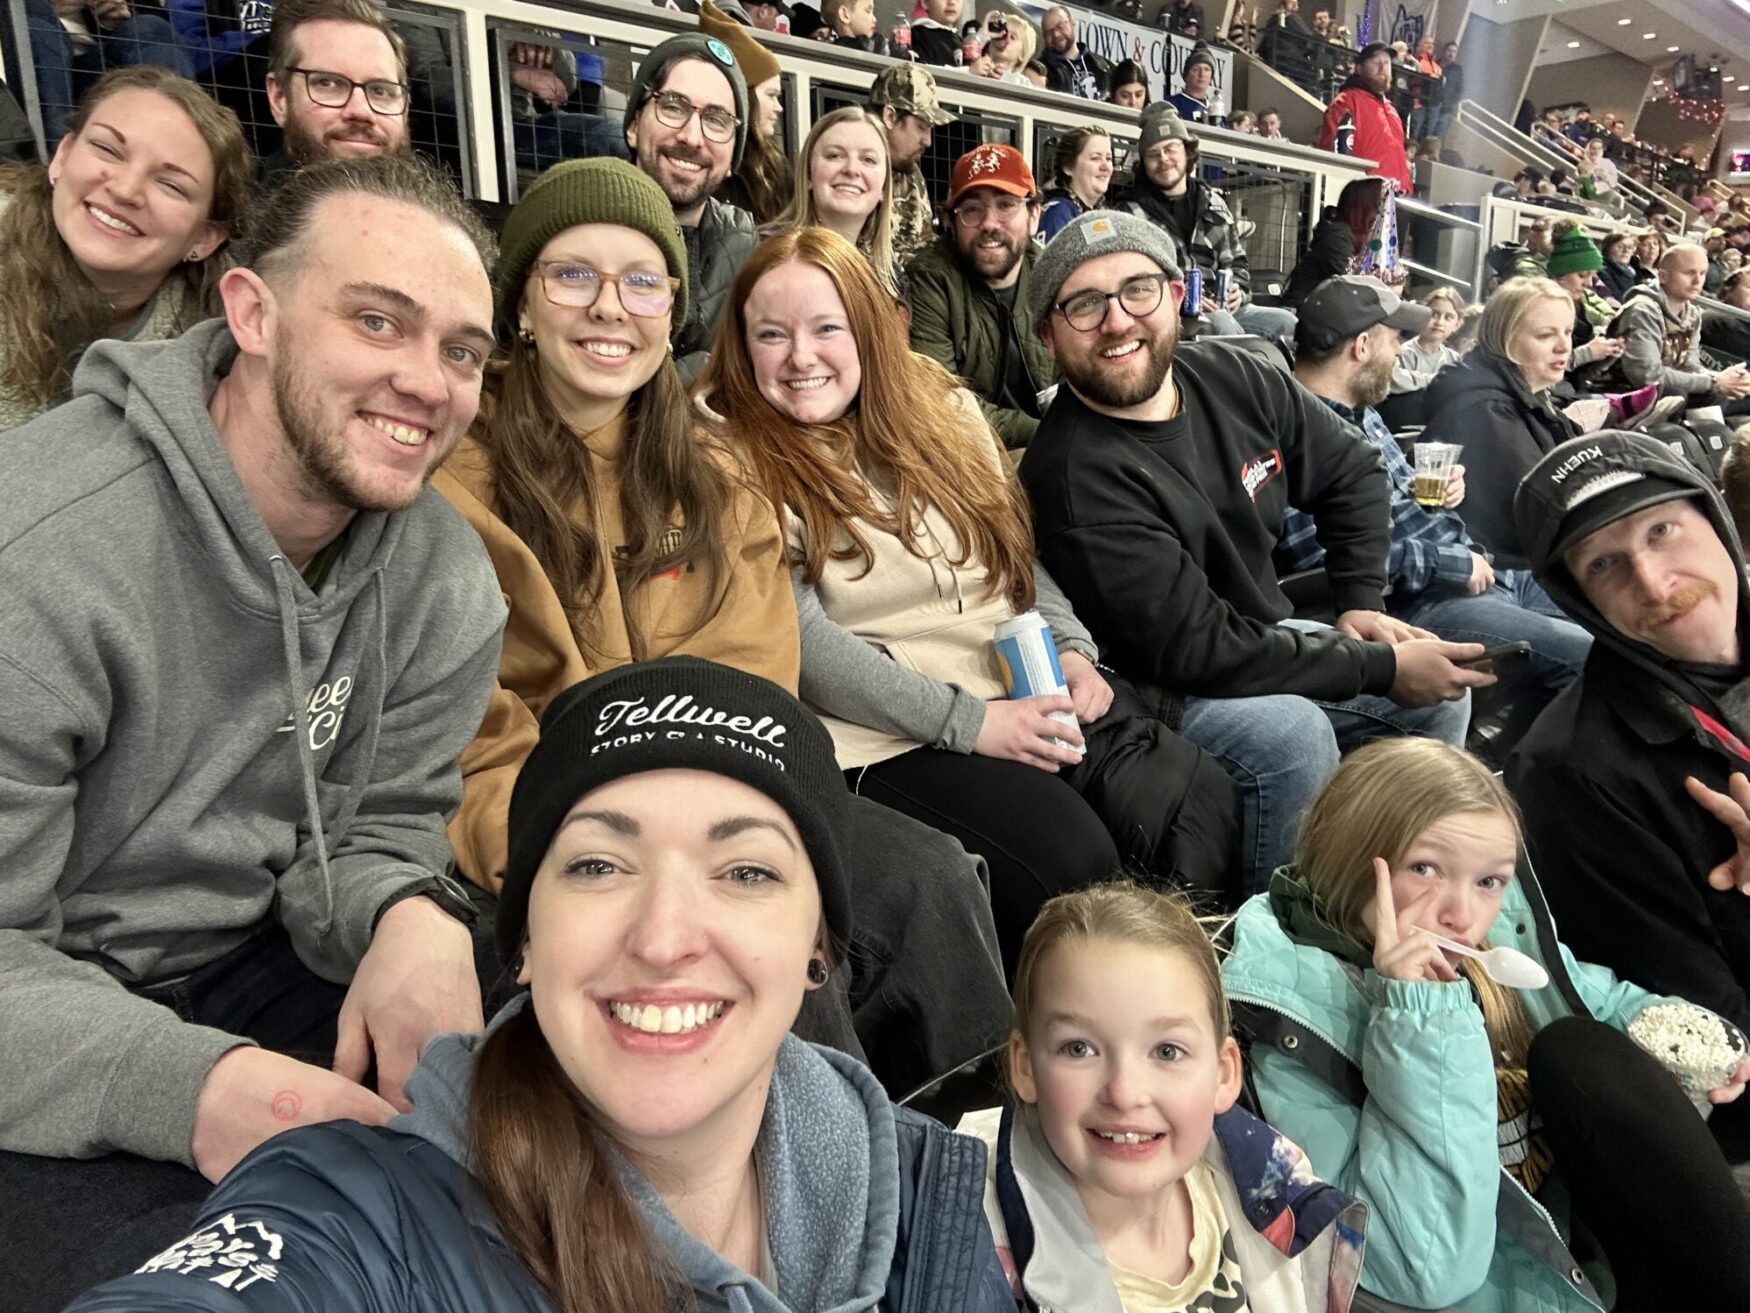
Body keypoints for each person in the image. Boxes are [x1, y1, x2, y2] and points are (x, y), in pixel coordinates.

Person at [68, 659, 1019, 1313]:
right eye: (600, 865)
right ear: (520, 939)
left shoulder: (923, 1195)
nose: (663, 938)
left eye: (747, 872)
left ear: (818, 949)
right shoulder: (365, 1210)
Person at [0, 154, 507, 1311]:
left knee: (580, 1048)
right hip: (38, 1021)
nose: (425, 381)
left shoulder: (443, 579)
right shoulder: (37, 555)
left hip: (254, 955)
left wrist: (412, 908)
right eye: (378, 320)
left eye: (462, 350)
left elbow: (381, 823)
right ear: (253, 311)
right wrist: (208, 1089)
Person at [438, 157, 1010, 1100]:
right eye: (573, 275)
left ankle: (976, 1164)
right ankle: (820, 1202)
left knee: (928, 880)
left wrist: (726, 835)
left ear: (671, 307)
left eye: (642, 281)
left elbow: (752, 670)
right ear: (524, 308)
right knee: (771, 970)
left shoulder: (711, 460)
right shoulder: (460, 478)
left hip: (720, 792)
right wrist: (574, 859)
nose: (609, 308)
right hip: (559, 827)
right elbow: (472, 721)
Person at [701, 227, 1241, 964]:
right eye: (772, 334)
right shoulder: (732, 454)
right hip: (891, 733)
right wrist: (972, 724)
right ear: (741, 343)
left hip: (1016, 682)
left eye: (828, 328)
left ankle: (1180, 1012)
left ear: (869, 329)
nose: (801, 357)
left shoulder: (939, 408)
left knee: (1196, 800)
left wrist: (1072, 648)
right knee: (1069, 858)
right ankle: (1064, 1038)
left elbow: (1014, 554)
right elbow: (806, 648)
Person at [1020, 210, 1484, 895]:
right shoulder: (1072, 471)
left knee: (1440, 696)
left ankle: (1386, 892)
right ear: (1048, 335)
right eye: (1084, 305)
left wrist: (1361, 603)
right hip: (1161, 685)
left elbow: (1353, 469)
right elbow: (1201, 650)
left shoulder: (1234, 372)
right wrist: (1379, 667)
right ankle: (1273, 955)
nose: (1117, 321)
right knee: (1290, 735)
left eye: (1137, 290)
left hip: (1257, 632)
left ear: (1176, 296)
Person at [1223, 735, 1750, 1312]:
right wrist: (1420, 1018)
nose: (1463, 915)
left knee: (1581, 1050)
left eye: (1489, 881)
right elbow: (1424, 1268)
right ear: (1348, 859)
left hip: (1583, 1245)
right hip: (1503, 1283)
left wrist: (1678, 1033)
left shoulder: (1497, 942)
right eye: (1425, 868)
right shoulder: (1290, 1013)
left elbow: (1601, 1004)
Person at [959, 883, 1368, 1311]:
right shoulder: (964, 1252)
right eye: (1079, 1049)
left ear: (1223, 1074)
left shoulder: (1276, 1189)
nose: (1124, 1093)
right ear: (1024, 1066)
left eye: (1167, 1051)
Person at [1509, 430, 1750, 1042]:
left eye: (1661, 531)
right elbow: (1710, 1038)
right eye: (1604, 564)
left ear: (1715, 517)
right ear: (1581, 601)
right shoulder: (1572, 774)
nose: (1653, 583)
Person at [1280, 277, 1591, 717]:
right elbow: (1322, 556)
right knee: (1589, 658)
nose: (1402, 352)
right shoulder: (1292, 429)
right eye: (1397, 340)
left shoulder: (1362, 411)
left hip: (1485, 574)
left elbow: (1397, 508)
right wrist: (1452, 562)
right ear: (1363, 346)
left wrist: (1438, 498)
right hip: (1421, 604)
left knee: (1619, 622)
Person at [0, 67, 251, 433]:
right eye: (107, 149)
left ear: (205, 238)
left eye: (170, 185)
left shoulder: (217, 354)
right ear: (62, 155)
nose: (125, 190)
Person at [623, 32, 758, 383]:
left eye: (716, 120)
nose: (692, 137)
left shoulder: (746, 246)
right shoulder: (575, 224)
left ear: (733, 157)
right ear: (634, 126)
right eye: (673, 106)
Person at [1421, 278, 1582, 567]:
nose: (1563, 346)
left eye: (1568, 332)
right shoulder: (1487, 411)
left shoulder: (1522, 396)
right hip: (1511, 572)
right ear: (1505, 338)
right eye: (1546, 335)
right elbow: (1540, 513)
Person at [908, 144, 1058, 451]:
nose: (989, 224)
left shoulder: (1053, 275)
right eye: (972, 210)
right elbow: (941, 401)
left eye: (1006, 205)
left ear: (1033, 215)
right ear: (951, 222)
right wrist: (1048, 433)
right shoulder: (929, 279)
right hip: (968, 456)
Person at [1113, 104, 1298, 342]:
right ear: (1144, 163)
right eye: (1153, 154)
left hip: (1226, 308)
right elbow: (1131, 278)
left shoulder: (1213, 202)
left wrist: (1238, 292)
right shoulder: (1130, 211)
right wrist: (1176, 294)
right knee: (1221, 325)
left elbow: (1238, 262)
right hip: (1171, 314)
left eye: (1171, 149)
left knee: (1287, 323)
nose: (1164, 159)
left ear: (1187, 152)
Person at [261, 0, 412, 185]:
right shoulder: (234, 211)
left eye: (380, 91)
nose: (361, 111)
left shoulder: (438, 211)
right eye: (328, 83)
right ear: (279, 99)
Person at [22, 0, 192, 144]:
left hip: (95, 68)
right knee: (38, 22)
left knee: (150, 27)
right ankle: (52, 159)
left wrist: (115, 18)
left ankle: (170, 146)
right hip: (34, 64)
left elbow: (162, 26)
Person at [769, 107, 897, 296]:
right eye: (835, 155)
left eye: (868, 159)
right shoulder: (765, 254)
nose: (852, 169)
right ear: (808, 175)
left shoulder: (890, 282)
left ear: (884, 188)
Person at [1608, 243, 1750, 410]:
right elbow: (1647, 375)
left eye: (1702, 273)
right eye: (1689, 273)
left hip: (1663, 391)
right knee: (1678, 394)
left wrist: (1724, 379)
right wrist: (1714, 382)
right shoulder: (1642, 310)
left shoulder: (1692, 313)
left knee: (1723, 393)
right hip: (1619, 392)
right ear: (1663, 276)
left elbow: (1690, 367)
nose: (1697, 281)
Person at [700, 0, 791, 225]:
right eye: (771, 95)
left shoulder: (775, 165)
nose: (779, 106)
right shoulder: (707, 163)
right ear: (745, 98)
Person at [869, 64, 954, 273]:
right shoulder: (856, 170)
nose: (928, 141)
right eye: (922, 127)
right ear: (890, 117)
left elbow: (921, 241)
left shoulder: (910, 170)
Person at [1281, 175, 1389, 310]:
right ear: (1366, 208)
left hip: (1326, 310)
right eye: (1381, 204)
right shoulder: (1337, 237)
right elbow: (1350, 284)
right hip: (1303, 312)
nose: (1385, 212)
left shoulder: (1357, 238)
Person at [1318, 43, 1411, 195]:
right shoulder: (1346, 101)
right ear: (1359, 69)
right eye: (1376, 62)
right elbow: (1333, 150)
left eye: (1387, 62)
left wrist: (1406, 188)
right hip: (1365, 197)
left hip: (1396, 196)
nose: (1383, 68)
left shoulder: (1391, 110)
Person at [1388, 284, 1464, 400]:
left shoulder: (1454, 359)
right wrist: (1436, 380)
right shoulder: (1404, 352)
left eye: (1448, 317)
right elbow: (1396, 382)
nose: (1439, 322)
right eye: (1434, 314)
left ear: (1457, 324)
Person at [1037, 125, 1111, 242]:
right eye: (1095, 158)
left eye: (1108, 159)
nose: (1106, 167)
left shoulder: (1101, 214)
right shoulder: (1058, 213)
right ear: (1068, 167)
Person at [1040, 7, 1112, 101]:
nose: (1056, 34)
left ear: (1072, 23)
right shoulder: (1041, 70)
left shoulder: (1104, 65)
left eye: (1060, 26)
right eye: (1049, 32)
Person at [1166, 42, 1217, 123]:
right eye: (1195, 69)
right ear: (1186, 75)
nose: (1202, 74)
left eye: (1207, 69)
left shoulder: (1214, 109)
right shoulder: (1172, 104)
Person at [908, 0, 962, 67]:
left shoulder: (961, 41)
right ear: (925, 3)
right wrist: (968, 71)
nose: (952, 2)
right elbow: (922, 70)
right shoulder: (918, 35)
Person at [1597, 229, 1640, 302]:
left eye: (1630, 248)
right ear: (1607, 248)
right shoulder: (1602, 270)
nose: (1626, 251)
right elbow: (1618, 298)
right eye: (1620, 247)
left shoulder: (1631, 273)